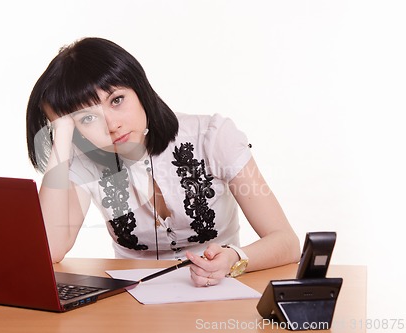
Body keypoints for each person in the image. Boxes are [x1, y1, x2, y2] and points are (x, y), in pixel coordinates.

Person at [26, 37, 300, 288]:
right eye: (87, 118)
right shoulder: (86, 162)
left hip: (217, 293)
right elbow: (51, 250)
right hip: (130, 305)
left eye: (117, 100)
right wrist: (61, 133)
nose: (111, 124)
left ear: (140, 88)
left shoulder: (212, 136)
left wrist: (234, 258)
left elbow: (286, 242)